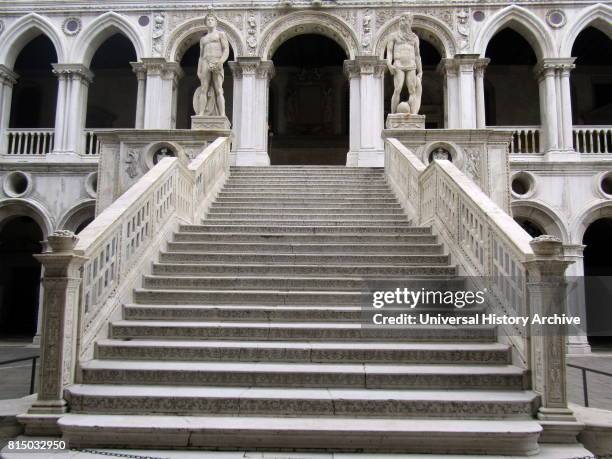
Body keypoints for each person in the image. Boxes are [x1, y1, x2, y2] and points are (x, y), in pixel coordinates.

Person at [386, 13, 423, 115]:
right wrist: (389, 63)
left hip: (411, 65)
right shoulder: (393, 36)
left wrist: (420, 70)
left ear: (410, 22)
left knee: (412, 90)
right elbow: (389, 51)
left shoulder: (414, 37)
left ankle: (413, 113)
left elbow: (417, 55)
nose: (402, 21)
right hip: (398, 64)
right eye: (401, 19)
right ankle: (393, 114)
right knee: (397, 89)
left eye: (404, 19)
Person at [195, 11, 230, 116]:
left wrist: (221, 61)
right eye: (208, 20)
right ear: (206, 23)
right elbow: (201, 56)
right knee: (203, 88)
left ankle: (222, 114)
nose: (210, 21)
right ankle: (201, 112)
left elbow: (226, 49)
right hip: (205, 61)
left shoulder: (220, 34)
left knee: (219, 89)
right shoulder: (203, 39)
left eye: (212, 20)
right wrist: (199, 69)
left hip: (216, 61)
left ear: (216, 22)